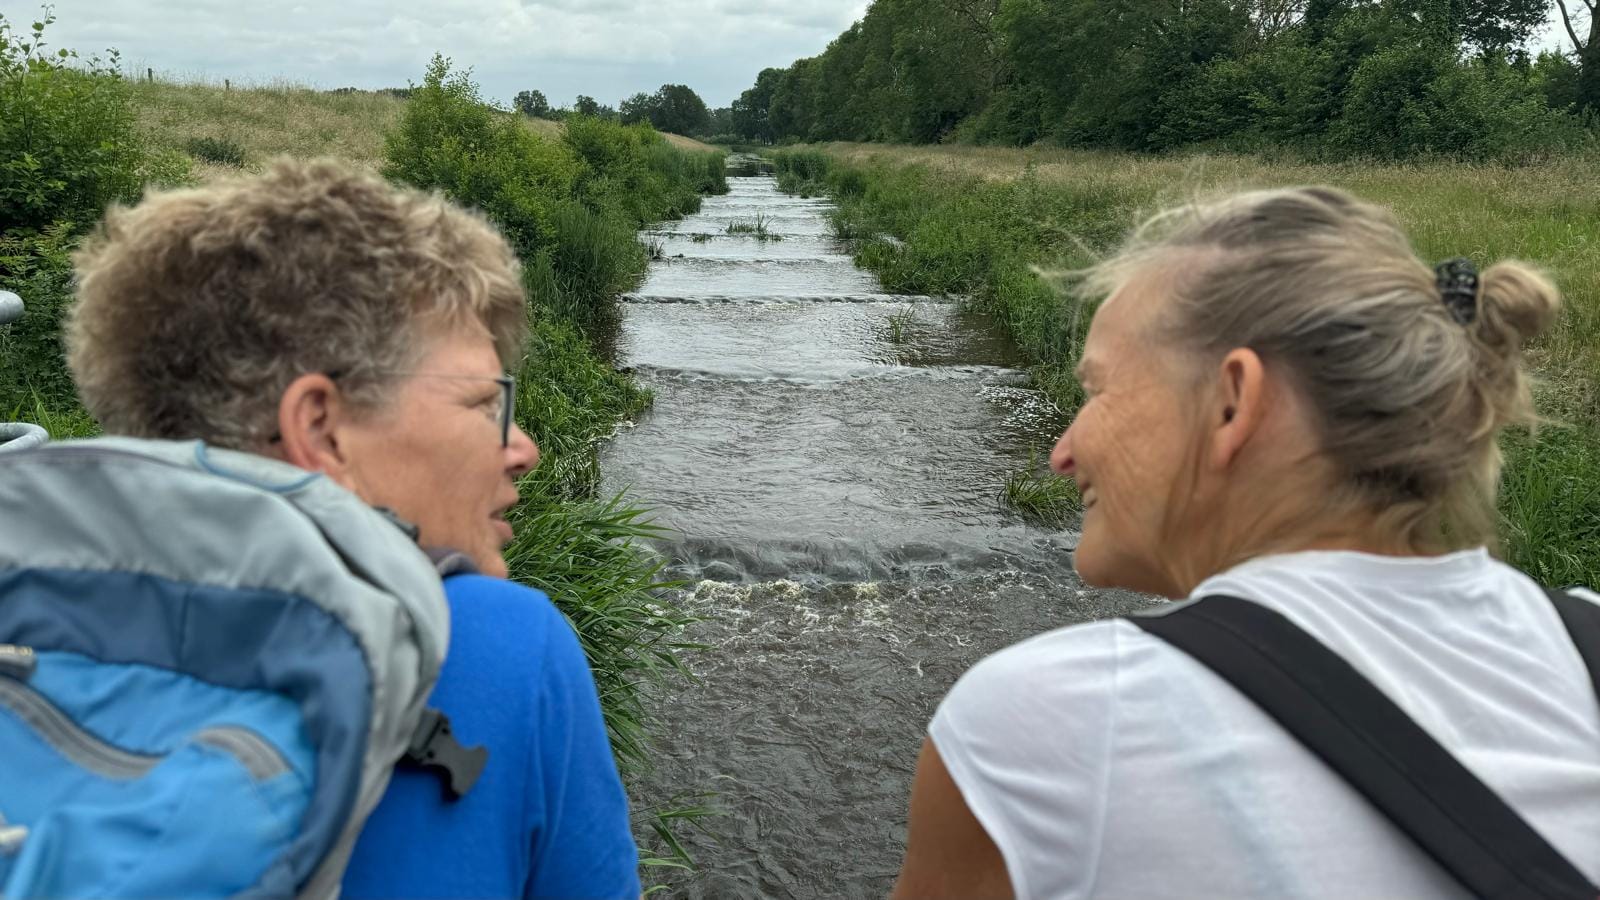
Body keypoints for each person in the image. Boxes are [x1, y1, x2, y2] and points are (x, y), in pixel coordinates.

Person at [892, 186, 1600, 898]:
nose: (1063, 452)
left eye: (1098, 391)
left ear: (1232, 402)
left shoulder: (1051, 721)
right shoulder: (1585, 641)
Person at [65, 159, 642, 899]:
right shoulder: (503, 641)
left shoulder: (43, 628)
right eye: (483, 404)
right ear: (321, 430)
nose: (523, 448)